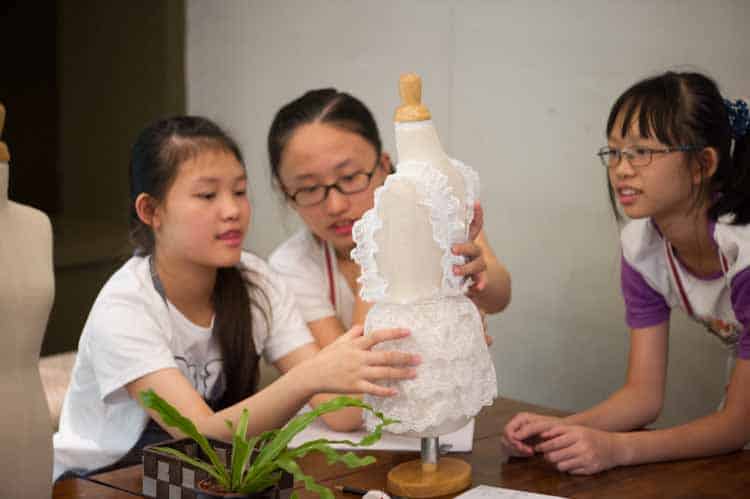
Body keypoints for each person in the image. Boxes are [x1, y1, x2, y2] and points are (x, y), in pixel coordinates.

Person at [52, 116, 421, 480]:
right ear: (151, 211)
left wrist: (373, 256)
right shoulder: (126, 307)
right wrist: (308, 378)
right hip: (105, 481)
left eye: (240, 192)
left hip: (206, 474)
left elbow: (342, 414)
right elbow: (199, 437)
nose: (232, 211)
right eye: (207, 195)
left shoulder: (257, 281)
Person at [503, 71, 750, 475]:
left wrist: (618, 449)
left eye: (642, 152)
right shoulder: (642, 248)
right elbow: (643, 396)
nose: (621, 169)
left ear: (702, 164)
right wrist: (559, 430)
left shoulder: (743, 251)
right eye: (615, 152)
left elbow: (736, 426)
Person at [266, 90, 511, 415]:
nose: (335, 205)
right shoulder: (292, 265)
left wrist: (478, 274)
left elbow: (500, 296)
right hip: (354, 434)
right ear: (286, 193)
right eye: (309, 188)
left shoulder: (432, 211)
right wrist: (379, 247)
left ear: (384, 166)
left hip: (442, 415)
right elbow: (352, 396)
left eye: (350, 177)